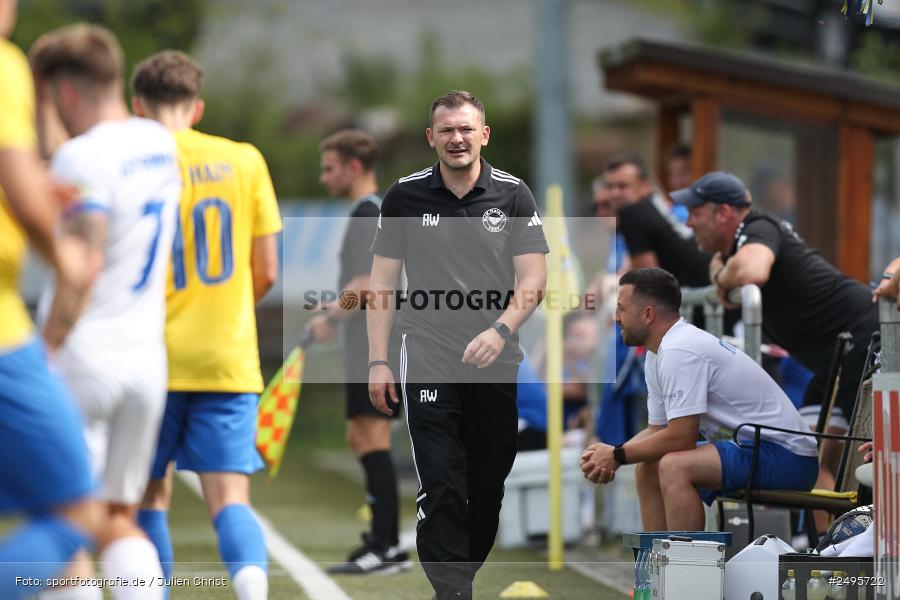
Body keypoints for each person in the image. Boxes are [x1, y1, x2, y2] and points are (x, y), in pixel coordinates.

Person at [367, 91, 548, 600]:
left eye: (466, 128)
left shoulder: (514, 195)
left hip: (495, 356)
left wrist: (500, 330)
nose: (457, 138)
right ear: (432, 138)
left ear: (483, 134)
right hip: (425, 350)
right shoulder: (403, 196)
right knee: (442, 476)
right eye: (446, 130)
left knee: (487, 484)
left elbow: (534, 279)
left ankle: (456, 580)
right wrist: (378, 361)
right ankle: (452, 592)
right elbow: (382, 284)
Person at [30, 24, 184, 599]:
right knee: (120, 516)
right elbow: (70, 157)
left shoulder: (80, 158)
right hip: (147, 361)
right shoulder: (158, 142)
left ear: (64, 94)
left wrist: (44, 350)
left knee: (61, 523)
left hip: (84, 358)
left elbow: (83, 262)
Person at [130, 50, 281, 600]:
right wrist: (229, 311)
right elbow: (265, 271)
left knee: (146, 499)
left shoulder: (128, 162)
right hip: (226, 356)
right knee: (230, 499)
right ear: (196, 108)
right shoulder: (244, 160)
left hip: (147, 356)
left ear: (137, 106)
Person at [676, 171, 879, 519]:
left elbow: (754, 269)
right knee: (818, 463)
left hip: (864, 342)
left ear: (723, 213)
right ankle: (830, 554)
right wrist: (722, 271)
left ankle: (867, 552)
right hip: (835, 359)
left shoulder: (758, 227)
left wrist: (723, 280)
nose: (689, 222)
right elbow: (729, 266)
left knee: (867, 463)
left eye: (695, 211)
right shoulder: (742, 239)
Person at [580, 268, 819, 530]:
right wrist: (612, 454)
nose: (615, 318)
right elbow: (657, 431)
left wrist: (617, 455)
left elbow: (680, 437)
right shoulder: (658, 352)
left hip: (789, 457)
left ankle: (686, 569)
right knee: (648, 468)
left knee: (675, 466)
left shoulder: (679, 350)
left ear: (647, 314)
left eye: (621, 309)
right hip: (755, 447)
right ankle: (654, 567)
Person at [0, 4, 102, 597]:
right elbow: (15, 183)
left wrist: (38, 184)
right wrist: (62, 254)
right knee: (76, 514)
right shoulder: (7, 64)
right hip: (7, 335)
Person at [309, 128, 409, 574]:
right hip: (369, 343)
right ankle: (382, 541)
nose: (322, 177)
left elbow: (367, 284)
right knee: (362, 437)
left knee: (371, 438)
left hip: (377, 345)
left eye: (329, 168)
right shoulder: (368, 211)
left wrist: (330, 317)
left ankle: (384, 547)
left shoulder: (370, 211)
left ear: (354, 167)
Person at [605, 153, 710, 286]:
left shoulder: (632, 212)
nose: (615, 193)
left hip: (700, 294)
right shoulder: (655, 204)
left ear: (645, 185)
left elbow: (648, 284)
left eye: (623, 186)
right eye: (610, 187)